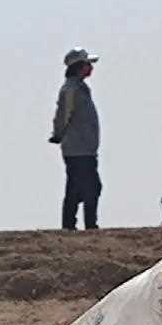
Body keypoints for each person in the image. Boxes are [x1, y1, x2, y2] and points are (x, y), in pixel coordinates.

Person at [49, 47, 102, 231]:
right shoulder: (71, 89)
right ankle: (86, 225)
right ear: (79, 66)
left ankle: (71, 225)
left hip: (84, 147)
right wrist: (58, 134)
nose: (90, 68)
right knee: (89, 187)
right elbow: (63, 114)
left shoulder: (80, 88)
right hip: (78, 149)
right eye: (87, 64)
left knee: (79, 187)